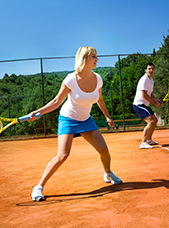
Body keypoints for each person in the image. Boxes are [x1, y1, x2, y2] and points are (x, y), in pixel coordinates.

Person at [28, 46, 122, 202]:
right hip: (68, 119)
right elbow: (56, 102)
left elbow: (99, 99)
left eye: (96, 56)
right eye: (93, 56)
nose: (96, 59)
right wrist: (38, 112)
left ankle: (108, 173)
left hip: (86, 120)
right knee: (63, 155)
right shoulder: (71, 79)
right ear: (83, 58)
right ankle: (39, 187)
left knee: (104, 151)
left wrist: (108, 117)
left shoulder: (98, 78)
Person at [132, 62, 162, 149]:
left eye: (152, 69)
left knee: (155, 120)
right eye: (149, 69)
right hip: (139, 104)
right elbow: (144, 95)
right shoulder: (144, 79)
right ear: (146, 70)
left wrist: (156, 100)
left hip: (144, 104)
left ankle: (149, 140)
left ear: (154, 70)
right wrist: (154, 103)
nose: (151, 70)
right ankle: (143, 142)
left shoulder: (151, 80)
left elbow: (150, 94)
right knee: (151, 122)